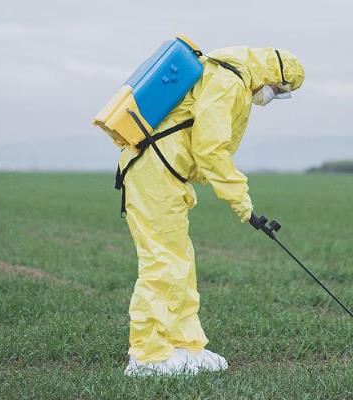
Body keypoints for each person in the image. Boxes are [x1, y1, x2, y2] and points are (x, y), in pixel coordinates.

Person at [121, 46, 305, 376]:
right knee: (163, 262)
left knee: (180, 262)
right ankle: (147, 357)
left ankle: (184, 345)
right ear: (268, 76)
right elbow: (210, 150)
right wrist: (242, 204)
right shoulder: (228, 82)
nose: (272, 96)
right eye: (278, 90)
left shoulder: (227, 77)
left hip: (165, 175)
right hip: (154, 173)